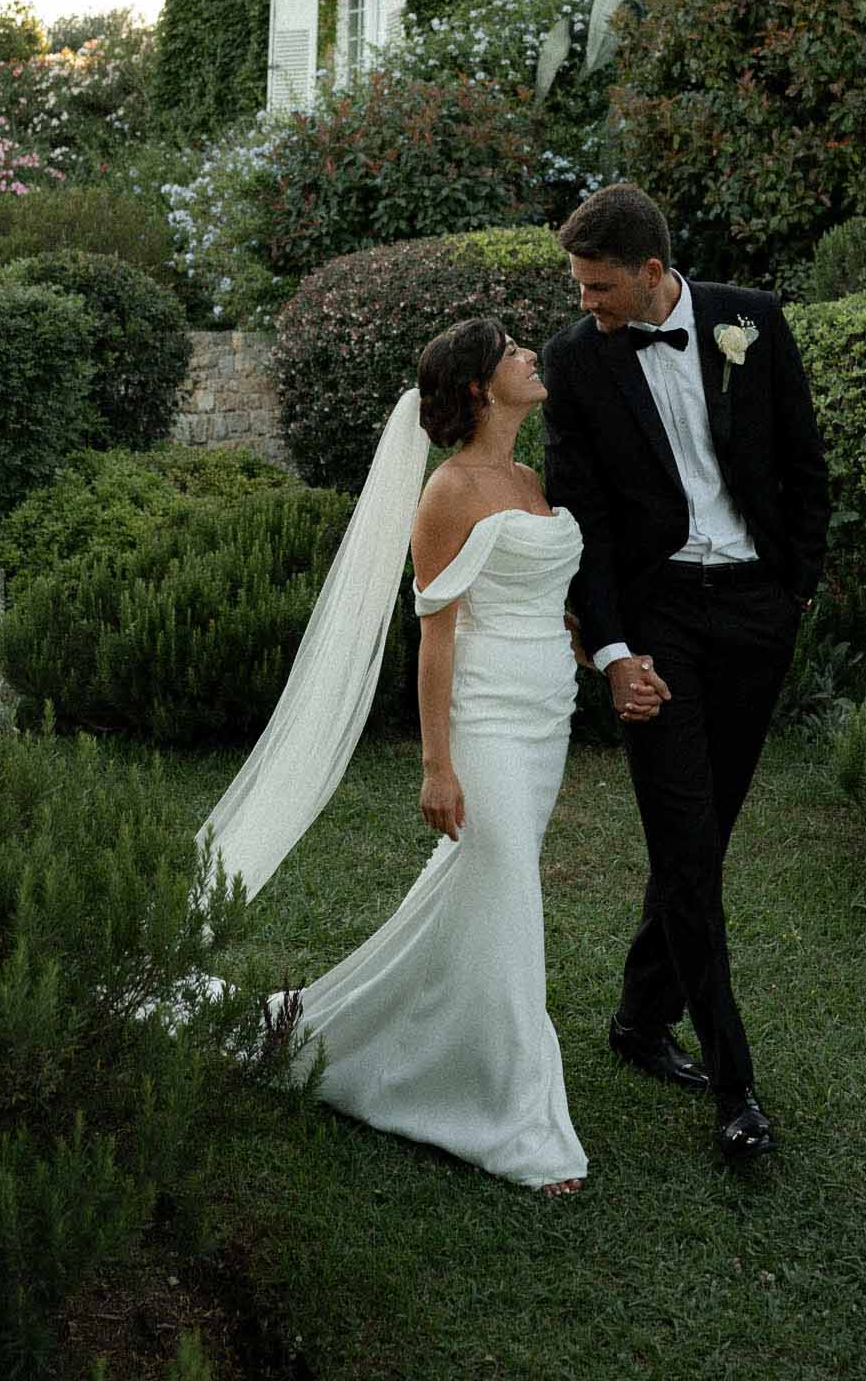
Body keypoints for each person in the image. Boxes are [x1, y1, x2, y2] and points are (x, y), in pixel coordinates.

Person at [195, 318, 587, 1195]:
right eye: (511, 351)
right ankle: (515, 1119)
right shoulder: (447, 492)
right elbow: (436, 638)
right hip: (485, 719)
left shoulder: (528, 478)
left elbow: (529, 591)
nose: (530, 355)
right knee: (509, 892)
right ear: (480, 387)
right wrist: (436, 766)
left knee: (479, 889)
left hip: (546, 713)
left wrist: (576, 640)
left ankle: (360, 1030)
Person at [541, 184, 830, 1162]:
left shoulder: (754, 320)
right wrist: (613, 650)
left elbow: (803, 460)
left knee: (702, 838)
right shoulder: (575, 360)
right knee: (687, 842)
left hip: (755, 608)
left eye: (599, 285)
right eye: (579, 285)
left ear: (654, 272)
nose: (585, 301)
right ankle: (736, 1088)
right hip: (658, 621)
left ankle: (637, 1016)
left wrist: (795, 589)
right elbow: (582, 516)